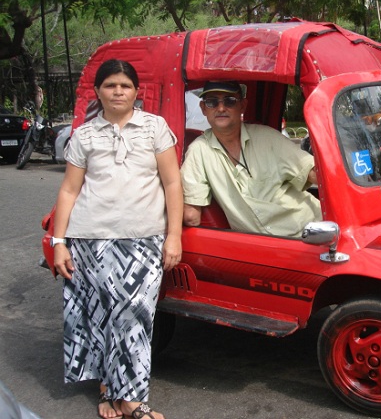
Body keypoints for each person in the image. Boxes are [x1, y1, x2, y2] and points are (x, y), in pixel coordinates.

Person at [52, 59, 182, 419]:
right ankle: (110, 391)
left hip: (143, 240)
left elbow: (172, 184)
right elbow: (68, 190)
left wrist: (174, 236)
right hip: (89, 240)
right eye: (110, 85)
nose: (118, 91)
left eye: (125, 85)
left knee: (134, 317)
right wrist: (58, 241)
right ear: (98, 92)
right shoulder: (84, 135)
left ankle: (132, 397)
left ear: (136, 91)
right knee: (99, 317)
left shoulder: (155, 128)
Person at [180, 80, 321, 237]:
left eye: (230, 101)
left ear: (243, 105)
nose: (221, 108)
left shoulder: (267, 137)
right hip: (268, 248)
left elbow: (314, 173)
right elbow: (191, 216)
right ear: (203, 108)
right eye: (212, 102)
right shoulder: (198, 151)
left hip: (315, 227)